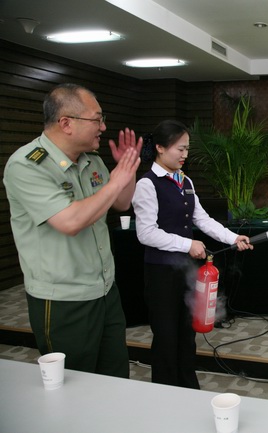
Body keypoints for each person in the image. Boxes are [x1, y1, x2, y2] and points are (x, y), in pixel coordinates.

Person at [3, 83, 142, 378]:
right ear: (66, 123)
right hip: (63, 300)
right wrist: (116, 181)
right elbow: (70, 222)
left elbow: (121, 202)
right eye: (97, 119)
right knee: (73, 383)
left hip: (104, 290)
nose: (103, 127)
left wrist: (126, 172)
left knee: (115, 376)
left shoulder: (92, 160)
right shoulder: (27, 165)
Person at [132, 119, 253, 389]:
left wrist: (233, 238)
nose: (185, 155)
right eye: (180, 149)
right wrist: (188, 244)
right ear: (160, 148)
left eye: (187, 149)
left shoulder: (185, 181)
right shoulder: (147, 184)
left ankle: (188, 388)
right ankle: (165, 391)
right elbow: (146, 233)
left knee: (187, 334)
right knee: (166, 336)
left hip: (186, 271)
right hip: (162, 274)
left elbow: (203, 219)